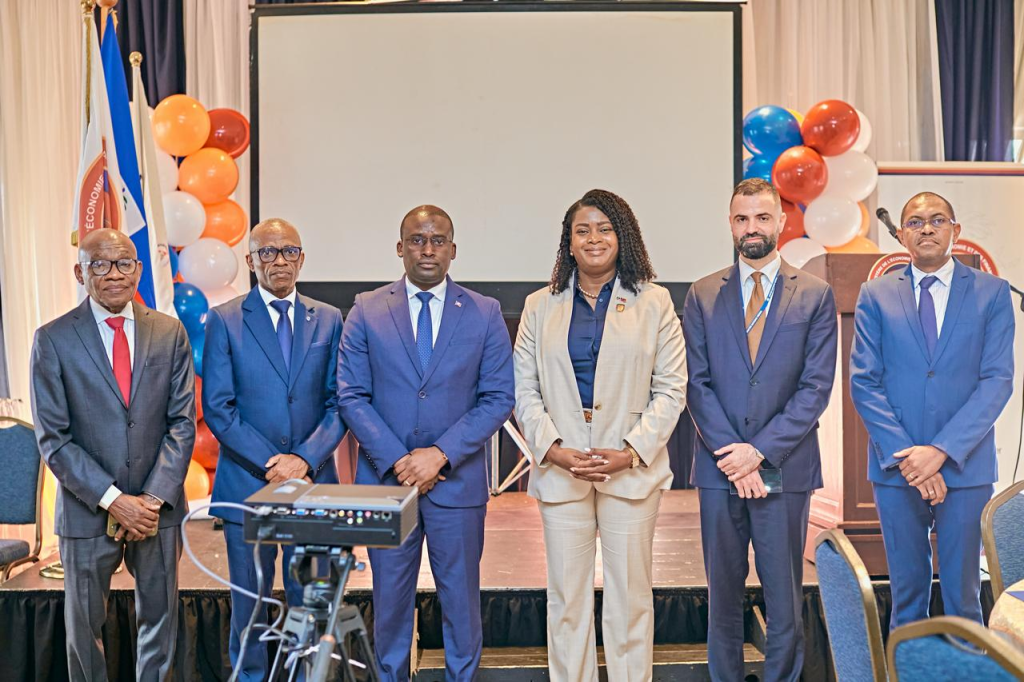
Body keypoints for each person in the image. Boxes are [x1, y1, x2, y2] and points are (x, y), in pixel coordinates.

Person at [513, 189, 686, 681]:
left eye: (604, 229)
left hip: (630, 471)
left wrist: (631, 453)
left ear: (623, 237)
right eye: (582, 230)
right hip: (562, 469)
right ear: (568, 243)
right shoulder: (538, 305)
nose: (593, 239)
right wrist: (555, 451)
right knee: (566, 601)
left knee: (630, 599)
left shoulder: (654, 302)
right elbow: (524, 388)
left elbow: (672, 389)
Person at [337, 205, 515, 681]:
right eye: (417, 239)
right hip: (386, 484)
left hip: (456, 487)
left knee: (461, 601)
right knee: (389, 604)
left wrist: (439, 456)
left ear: (453, 250)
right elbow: (351, 394)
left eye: (438, 240)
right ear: (400, 248)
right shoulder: (366, 309)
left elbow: (499, 397)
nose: (428, 248)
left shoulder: (484, 312)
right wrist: (400, 460)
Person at [683, 178, 837, 682]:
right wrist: (735, 455)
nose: (752, 228)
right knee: (722, 597)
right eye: (742, 219)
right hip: (720, 470)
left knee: (785, 597)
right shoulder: (703, 294)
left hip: (785, 471)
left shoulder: (815, 295)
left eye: (762, 217)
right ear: (730, 224)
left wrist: (760, 452)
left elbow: (815, 389)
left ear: (781, 222)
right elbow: (696, 384)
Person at [30, 228, 195, 681]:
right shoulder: (53, 339)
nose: (114, 274)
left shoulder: (170, 332)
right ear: (80, 272)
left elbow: (182, 423)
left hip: (157, 512)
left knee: (160, 626)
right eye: (99, 264)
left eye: (124, 263)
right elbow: (54, 439)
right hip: (87, 513)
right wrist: (113, 500)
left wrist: (153, 499)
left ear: (138, 269)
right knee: (84, 631)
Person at [850, 191, 1014, 628]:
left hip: (965, 466)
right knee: (906, 594)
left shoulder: (992, 293)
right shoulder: (875, 294)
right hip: (896, 467)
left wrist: (939, 452)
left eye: (937, 220)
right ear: (902, 235)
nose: (927, 228)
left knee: (964, 597)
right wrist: (911, 459)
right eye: (916, 222)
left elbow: (997, 381)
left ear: (955, 232)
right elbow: (864, 382)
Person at [202, 218, 346, 679]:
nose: (278, 260)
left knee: (310, 605)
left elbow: (338, 401)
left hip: (313, 483)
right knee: (249, 608)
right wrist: (272, 463)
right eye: (267, 252)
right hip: (248, 486)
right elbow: (219, 408)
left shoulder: (328, 318)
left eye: (288, 251)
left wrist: (303, 459)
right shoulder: (224, 319)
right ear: (250, 261)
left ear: (302, 259)